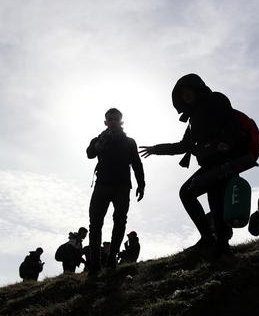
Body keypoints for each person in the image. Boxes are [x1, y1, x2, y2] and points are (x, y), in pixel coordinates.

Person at [140, 73, 249, 258]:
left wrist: (227, 142)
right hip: (209, 164)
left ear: (196, 88)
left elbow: (233, 123)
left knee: (212, 202)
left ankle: (220, 246)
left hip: (224, 160)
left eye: (187, 91)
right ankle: (212, 241)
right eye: (182, 94)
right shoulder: (192, 120)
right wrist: (156, 149)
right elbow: (183, 146)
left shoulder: (216, 99)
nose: (186, 96)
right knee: (193, 195)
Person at [87, 108, 145, 274]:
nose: (112, 121)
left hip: (122, 187)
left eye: (115, 119)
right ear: (105, 122)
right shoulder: (99, 139)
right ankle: (95, 264)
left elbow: (137, 164)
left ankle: (112, 258)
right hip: (101, 186)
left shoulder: (129, 142)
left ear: (121, 121)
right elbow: (89, 154)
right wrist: (99, 144)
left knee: (120, 220)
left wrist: (142, 184)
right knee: (95, 224)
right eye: (109, 119)